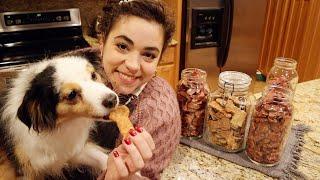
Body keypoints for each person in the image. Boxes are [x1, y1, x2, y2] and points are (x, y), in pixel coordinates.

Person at [94, 0, 181, 179]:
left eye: (149, 55)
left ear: (159, 60)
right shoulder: (80, 67)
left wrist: (120, 176)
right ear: (101, 43)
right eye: (122, 46)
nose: (133, 66)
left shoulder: (160, 115)